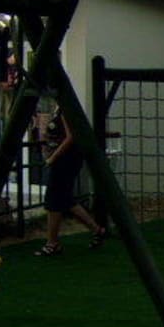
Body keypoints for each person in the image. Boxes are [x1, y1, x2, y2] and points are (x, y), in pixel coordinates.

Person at [35, 104, 109, 256]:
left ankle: (52, 243)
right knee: (65, 199)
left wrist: (53, 157)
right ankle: (97, 230)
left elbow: (71, 137)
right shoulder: (57, 109)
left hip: (65, 160)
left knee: (53, 200)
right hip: (64, 159)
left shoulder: (66, 109)